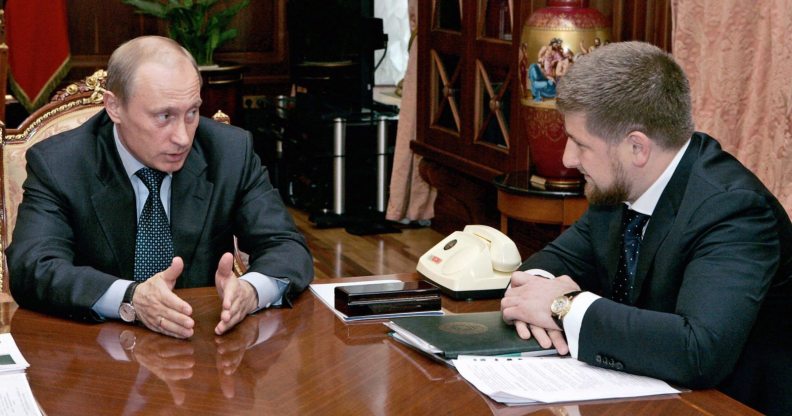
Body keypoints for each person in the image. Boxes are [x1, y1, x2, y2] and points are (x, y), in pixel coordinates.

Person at [500, 41, 792, 415]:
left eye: (580, 143)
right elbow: (550, 263)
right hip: (644, 393)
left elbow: (699, 352)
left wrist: (562, 306)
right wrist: (535, 293)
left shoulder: (733, 210)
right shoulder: (618, 188)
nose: (568, 159)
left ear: (636, 147)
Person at [7, 36, 314, 339]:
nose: (182, 137)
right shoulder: (61, 164)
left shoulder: (229, 152)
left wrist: (251, 290)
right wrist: (130, 297)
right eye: (164, 116)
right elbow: (33, 266)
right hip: (97, 351)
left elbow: (285, 246)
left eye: (191, 113)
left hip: (203, 345)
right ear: (114, 107)